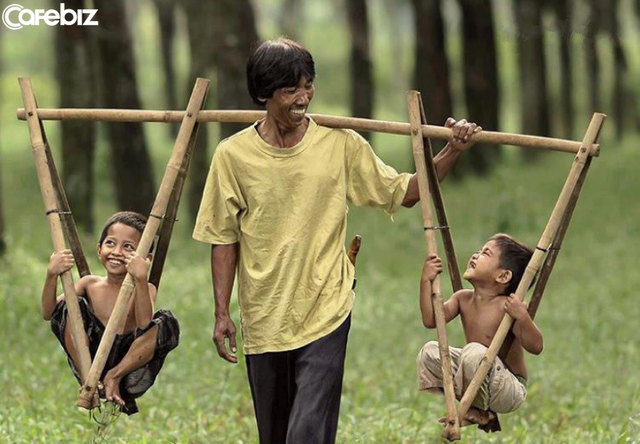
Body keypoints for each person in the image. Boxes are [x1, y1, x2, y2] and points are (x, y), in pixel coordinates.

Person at [193, 37, 481, 443]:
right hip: (264, 314)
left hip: (327, 306)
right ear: (263, 94)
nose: (303, 97)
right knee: (274, 435)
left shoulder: (340, 143)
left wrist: (452, 150)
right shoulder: (232, 156)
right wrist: (222, 312)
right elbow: (222, 238)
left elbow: (408, 192)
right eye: (291, 89)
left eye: (308, 86)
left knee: (308, 431)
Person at [41, 211, 180, 414]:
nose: (116, 251)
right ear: (99, 250)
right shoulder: (89, 284)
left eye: (128, 247)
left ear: (145, 259)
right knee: (70, 305)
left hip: (128, 358)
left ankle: (113, 377)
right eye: (110, 243)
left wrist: (141, 278)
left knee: (166, 322)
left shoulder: (146, 288)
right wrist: (51, 274)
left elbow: (144, 323)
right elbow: (49, 312)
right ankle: (89, 379)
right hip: (89, 355)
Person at [417, 233, 544, 429]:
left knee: (474, 351)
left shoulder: (507, 307)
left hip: (508, 388)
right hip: (475, 373)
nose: (475, 255)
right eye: (478, 251)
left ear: (503, 276)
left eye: (485, 253)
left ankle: (480, 409)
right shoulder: (462, 298)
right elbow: (431, 320)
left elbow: (536, 347)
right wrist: (426, 280)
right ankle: (474, 405)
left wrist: (522, 316)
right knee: (430, 351)